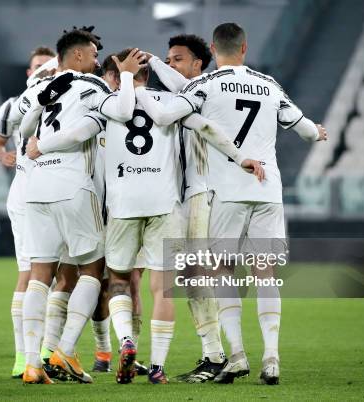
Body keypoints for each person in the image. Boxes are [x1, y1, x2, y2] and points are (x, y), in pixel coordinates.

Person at [26, 47, 263, 384]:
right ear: (148, 74)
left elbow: (76, 133)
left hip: (122, 206)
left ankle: (124, 342)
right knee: (162, 287)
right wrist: (241, 158)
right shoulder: (168, 103)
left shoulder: (107, 104)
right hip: (165, 204)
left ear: (114, 75)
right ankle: (157, 368)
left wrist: (39, 146)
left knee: (120, 279)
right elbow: (207, 126)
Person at [134, 22, 328, 385]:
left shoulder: (204, 86)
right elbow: (305, 130)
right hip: (267, 189)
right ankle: (271, 357)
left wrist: (141, 80)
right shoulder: (269, 85)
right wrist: (317, 131)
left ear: (212, 48)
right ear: (244, 48)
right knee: (264, 273)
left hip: (223, 191)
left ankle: (236, 354)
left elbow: (165, 113)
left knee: (220, 272)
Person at [18, 29, 145, 384]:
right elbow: (116, 112)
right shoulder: (92, 85)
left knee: (41, 274)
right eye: (92, 54)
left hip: (36, 187)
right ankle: (65, 349)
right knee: (94, 269)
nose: (95, 60)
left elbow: (25, 124)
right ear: (76, 56)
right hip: (73, 184)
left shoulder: (48, 88)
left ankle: (32, 364)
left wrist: (37, 142)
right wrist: (127, 75)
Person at [148, 34, 228, 383]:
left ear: (198, 62)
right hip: (186, 195)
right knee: (191, 276)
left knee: (197, 276)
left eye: (177, 58)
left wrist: (150, 61)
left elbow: (181, 84)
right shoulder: (184, 95)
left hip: (204, 192)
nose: (170, 64)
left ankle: (217, 355)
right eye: (168, 58)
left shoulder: (202, 89)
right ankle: (216, 353)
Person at [0, 46, 56, 378]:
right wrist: (1, 155)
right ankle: (24, 356)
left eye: (47, 65)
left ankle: (46, 351)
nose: (42, 70)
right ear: (29, 73)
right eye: (37, 67)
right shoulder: (15, 105)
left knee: (58, 276)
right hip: (28, 192)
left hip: (59, 192)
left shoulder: (64, 99)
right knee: (30, 273)